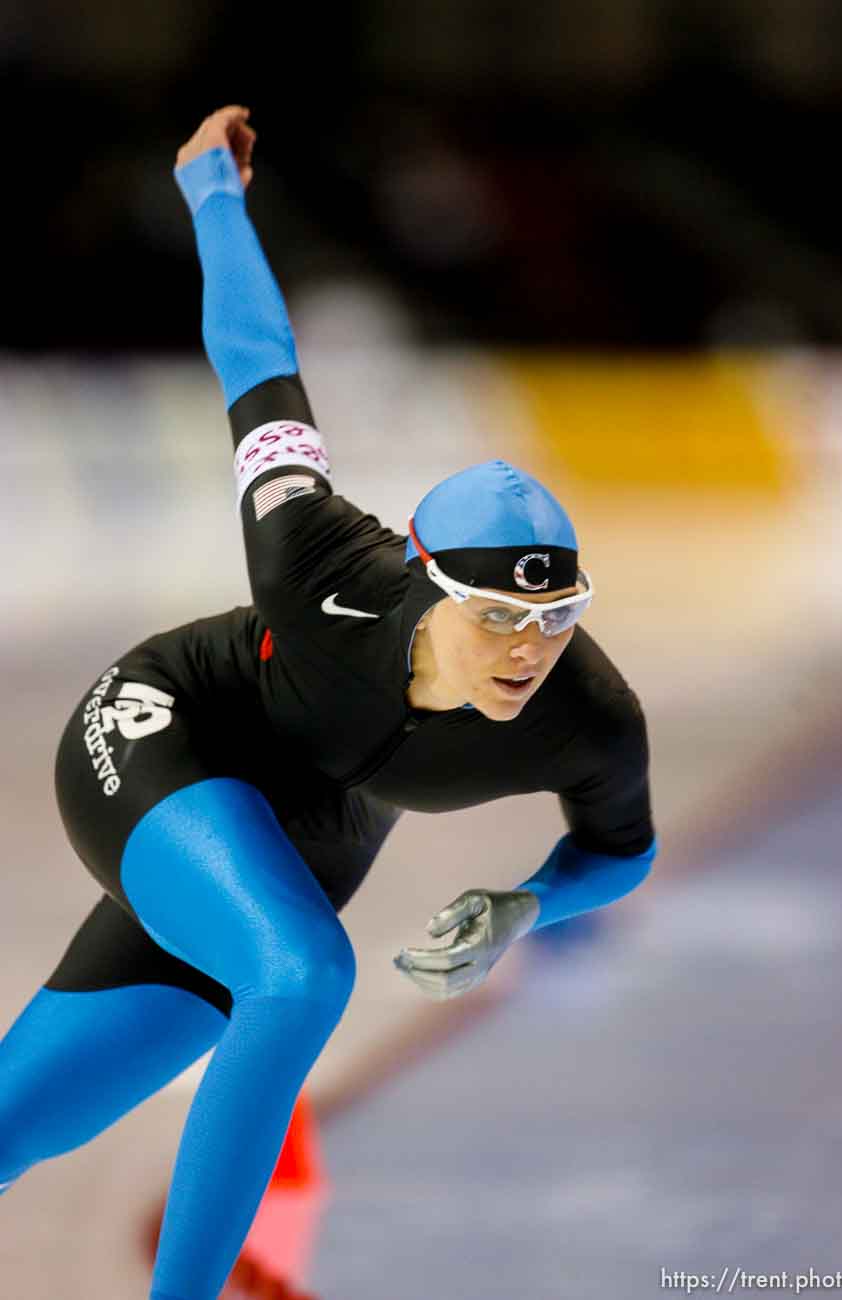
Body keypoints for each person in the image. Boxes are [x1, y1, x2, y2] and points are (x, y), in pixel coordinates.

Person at [0, 105, 657, 1300]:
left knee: (18, 1125)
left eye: (556, 620)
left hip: (306, 833)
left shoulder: (590, 713)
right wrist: (211, 192)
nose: (528, 652)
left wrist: (523, 907)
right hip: (165, 735)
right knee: (300, 976)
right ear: (425, 581)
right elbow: (257, 359)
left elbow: (621, 849)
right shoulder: (317, 554)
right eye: (499, 618)